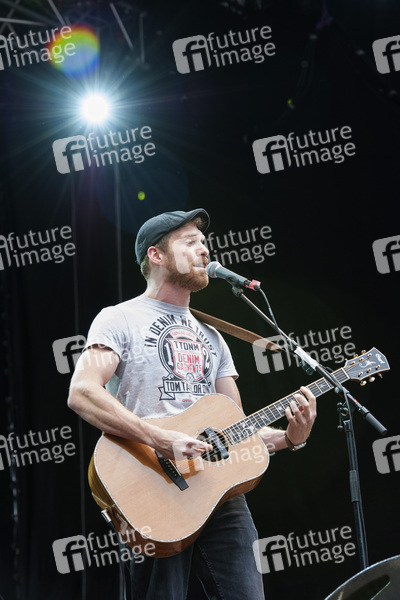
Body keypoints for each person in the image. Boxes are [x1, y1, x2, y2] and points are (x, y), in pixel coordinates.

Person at [68, 208, 317, 600]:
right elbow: (82, 392)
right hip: (149, 485)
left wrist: (290, 437)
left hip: (219, 495)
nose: (204, 250)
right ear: (156, 255)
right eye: (190, 242)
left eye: (204, 242)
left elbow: (237, 431)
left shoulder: (214, 337)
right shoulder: (118, 319)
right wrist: (160, 439)